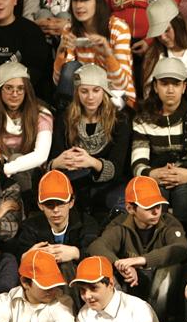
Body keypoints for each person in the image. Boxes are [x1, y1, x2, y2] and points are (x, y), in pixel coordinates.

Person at [129, 57, 187, 232]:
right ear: (155, 86)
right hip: (156, 175)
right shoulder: (142, 119)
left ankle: (184, 240)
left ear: (184, 87)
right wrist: (153, 174)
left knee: (183, 193)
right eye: (164, 84)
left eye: (176, 84)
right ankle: (156, 240)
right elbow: (137, 163)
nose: (170, 90)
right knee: (155, 194)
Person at [88, 175, 187, 300]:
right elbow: (96, 246)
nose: (156, 212)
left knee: (172, 268)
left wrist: (142, 260)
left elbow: (182, 248)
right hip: (130, 285)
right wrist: (121, 266)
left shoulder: (168, 222)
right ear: (130, 208)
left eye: (158, 205)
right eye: (148, 207)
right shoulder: (120, 224)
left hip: (162, 288)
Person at [47, 63, 131, 212]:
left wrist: (92, 162)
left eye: (96, 90)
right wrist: (56, 163)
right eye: (84, 91)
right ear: (77, 92)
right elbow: (52, 162)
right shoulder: (65, 119)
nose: (90, 97)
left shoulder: (120, 120)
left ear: (104, 91)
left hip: (109, 186)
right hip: (73, 182)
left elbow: (118, 168)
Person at [2, 169, 100, 278]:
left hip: (79, 278)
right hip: (42, 278)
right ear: (40, 205)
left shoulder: (87, 223)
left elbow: (97, 258)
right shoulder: (29, 227)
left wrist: (76, 253)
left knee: (66, 266)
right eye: (49, 205)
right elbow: (19, 262)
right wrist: (26, 258)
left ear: (71, 202)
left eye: (61, 203)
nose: (56, 210)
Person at [0, 60, 52, 190]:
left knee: (16, 158)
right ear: (0, 90)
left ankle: (23, 201)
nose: (15, 94)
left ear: (26, 91)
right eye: (9, 88)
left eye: (20, 89)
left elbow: (41, 155)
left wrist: (9, 168)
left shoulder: (41, 115)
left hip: (33, 175)